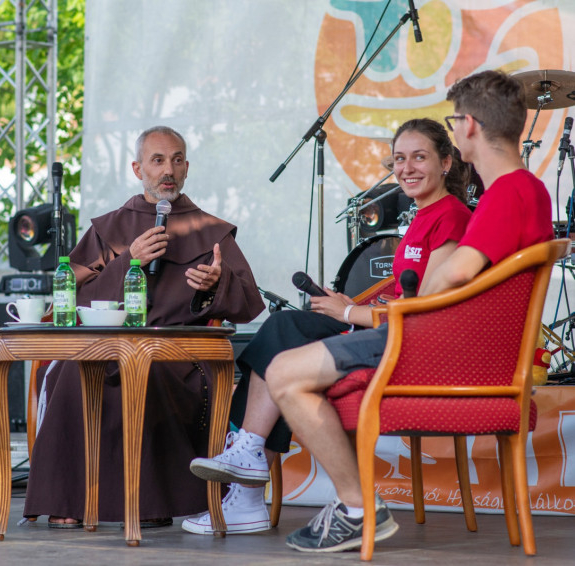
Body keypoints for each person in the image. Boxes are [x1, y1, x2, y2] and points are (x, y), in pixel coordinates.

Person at [265, 69, 553, 553]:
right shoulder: (526, 190)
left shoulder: (509, 191)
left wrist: (407, 311)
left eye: (454, 121)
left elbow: (458, 274)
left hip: (432, 344)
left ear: (469, 126)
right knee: (297, 363)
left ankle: (357, 507)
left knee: (283, 372)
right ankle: (355, 504)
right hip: (444, 339)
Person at [183, 118, 473, 535]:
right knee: (282, 333)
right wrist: (352, 307)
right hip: (386, 329)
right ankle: (248, 470)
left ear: (445, 162)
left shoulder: (452, 216)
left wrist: (349, 314)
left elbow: (426, 309)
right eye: (399, 159)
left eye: (419, 157)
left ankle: (247, 479)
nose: (406, 168)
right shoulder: (423, 216)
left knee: (283, 333)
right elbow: (406, 297)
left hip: (410, 345)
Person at [23, 125, 264, 527]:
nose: (168, 169)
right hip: (108, 345)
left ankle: (148, 503)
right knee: (73, 370)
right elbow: (70, 296)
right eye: (158, 160)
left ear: (186, 168)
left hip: (178, 355)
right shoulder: (109, 227)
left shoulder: (210, 230)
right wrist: (127, 261)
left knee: (147, 370)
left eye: (177, 160)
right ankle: (72, 499)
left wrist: (216, 284)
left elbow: (249, 303)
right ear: (138, 169)